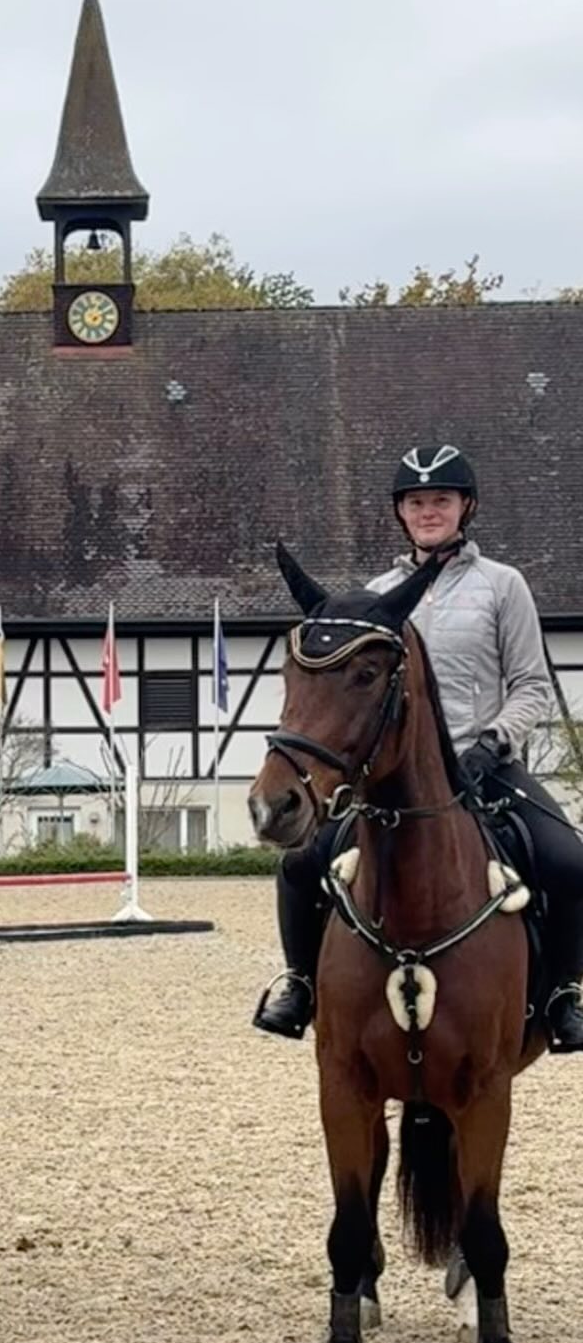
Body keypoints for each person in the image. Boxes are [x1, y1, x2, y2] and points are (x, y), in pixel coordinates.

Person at [253, 443, 583, 1053]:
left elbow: (533, 685)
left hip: (487, 765)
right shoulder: (376, 596)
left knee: (569, 861)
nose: (429, 512)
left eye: (441, 500)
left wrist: (494, 741)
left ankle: (564, 993)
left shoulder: (502, 586)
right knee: (300, 863)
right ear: (401, 513)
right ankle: (299, 983)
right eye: (416, 502)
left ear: (466, 507)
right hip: (390, 774)